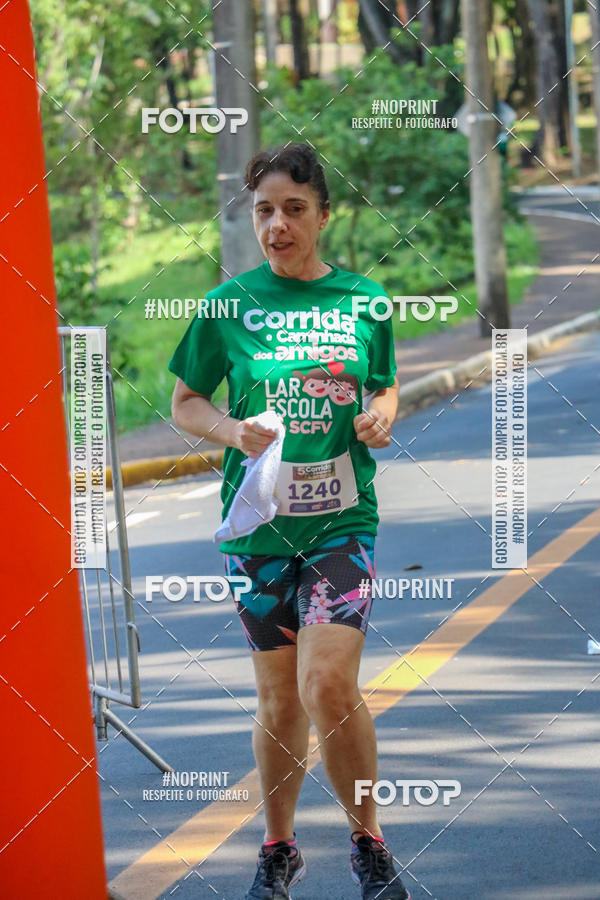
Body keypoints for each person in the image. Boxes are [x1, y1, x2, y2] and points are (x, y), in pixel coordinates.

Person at [169, 143, 409, 900]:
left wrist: (378, 418)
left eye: (293, 210)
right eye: (264, 210)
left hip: (342, 523)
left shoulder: (363, 301)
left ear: (324, 218)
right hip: (257, 531)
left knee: (327, 684)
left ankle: (369, 842)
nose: (276, 225)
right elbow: (185, 404)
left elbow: (386, 387)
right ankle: (278, 848)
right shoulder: (226, 307)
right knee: (277, 699)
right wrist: (231, 431)